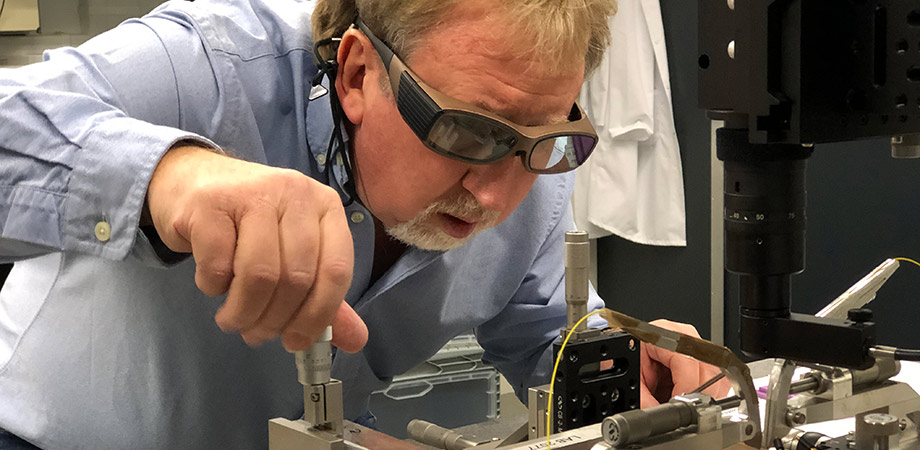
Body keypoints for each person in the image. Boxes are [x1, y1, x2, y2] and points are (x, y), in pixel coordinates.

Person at [0, 0, 728, 448]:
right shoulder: (209, 69)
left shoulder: (528, 173)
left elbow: (543, 334)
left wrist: (625, 360)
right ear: (356, 75)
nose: (498, 194)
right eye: (467, 134)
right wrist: (175, 174)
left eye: (543, 141)